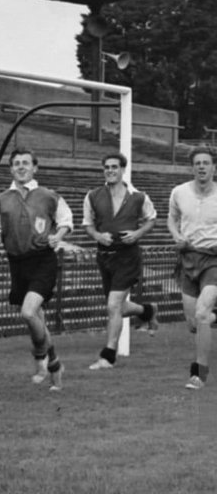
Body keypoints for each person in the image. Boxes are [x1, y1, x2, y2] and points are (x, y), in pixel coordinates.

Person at [0, 149, 73, 391]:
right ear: (11, 169)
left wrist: (58, 235)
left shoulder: (48, 195)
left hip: (43, 260)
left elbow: (66, 219)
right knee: (37, 318)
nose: (21, 167)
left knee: (28, 313)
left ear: (35, 168)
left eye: (26, 163)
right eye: (16, 164)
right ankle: (55, 364)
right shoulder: (1, 199)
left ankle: (39, 357)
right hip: (17, 262)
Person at [82, 152, 158, 370]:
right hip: (105, 256)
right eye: (106, 167)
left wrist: (137, 234)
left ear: (123, 169)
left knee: (113, 305)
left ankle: (108, 356)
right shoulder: (93, 195)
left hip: (128, 256)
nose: (110, 170)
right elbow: (88, 224)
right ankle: (147, 311)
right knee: (118, 307)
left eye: (114, 167)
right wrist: (98, 236)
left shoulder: (138, 196)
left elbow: (151, 219)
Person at [168, 148, 217, 390]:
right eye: (197, 163)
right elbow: (171, 218)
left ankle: (199, 373)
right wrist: (177, 236)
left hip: (213, 259)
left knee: (201, 313)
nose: (201, 167)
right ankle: (212, 318)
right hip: (187, 258)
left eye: (206, 163)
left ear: (213, 167)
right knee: (194, 323)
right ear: (192, 168)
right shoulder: (179, 192)